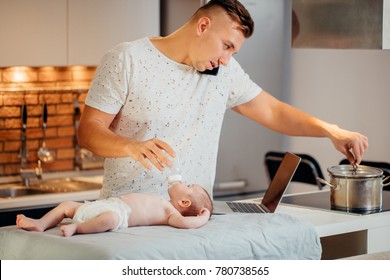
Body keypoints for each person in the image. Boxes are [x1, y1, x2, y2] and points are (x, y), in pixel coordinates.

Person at [77, 0, 368, 200]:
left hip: (193, 216)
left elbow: (272, 111)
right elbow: (89, 132)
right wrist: (130, 145)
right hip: (129, 216)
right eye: (226, 46)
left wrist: (331, 130)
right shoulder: (128, 59)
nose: (227, 60)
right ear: (203, 26)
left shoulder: (223, 72)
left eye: (234, 52)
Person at [16, 182, 212, 237]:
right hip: (106, 204)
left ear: (184, 203)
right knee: (67, 205)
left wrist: (204, 217)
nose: (183, 183)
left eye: (188, 186)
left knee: (110, 219)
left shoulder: (171, 214)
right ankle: (41, 224)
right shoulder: (163, 199)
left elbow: (187, 224)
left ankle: (78, 228)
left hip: (118, 214)